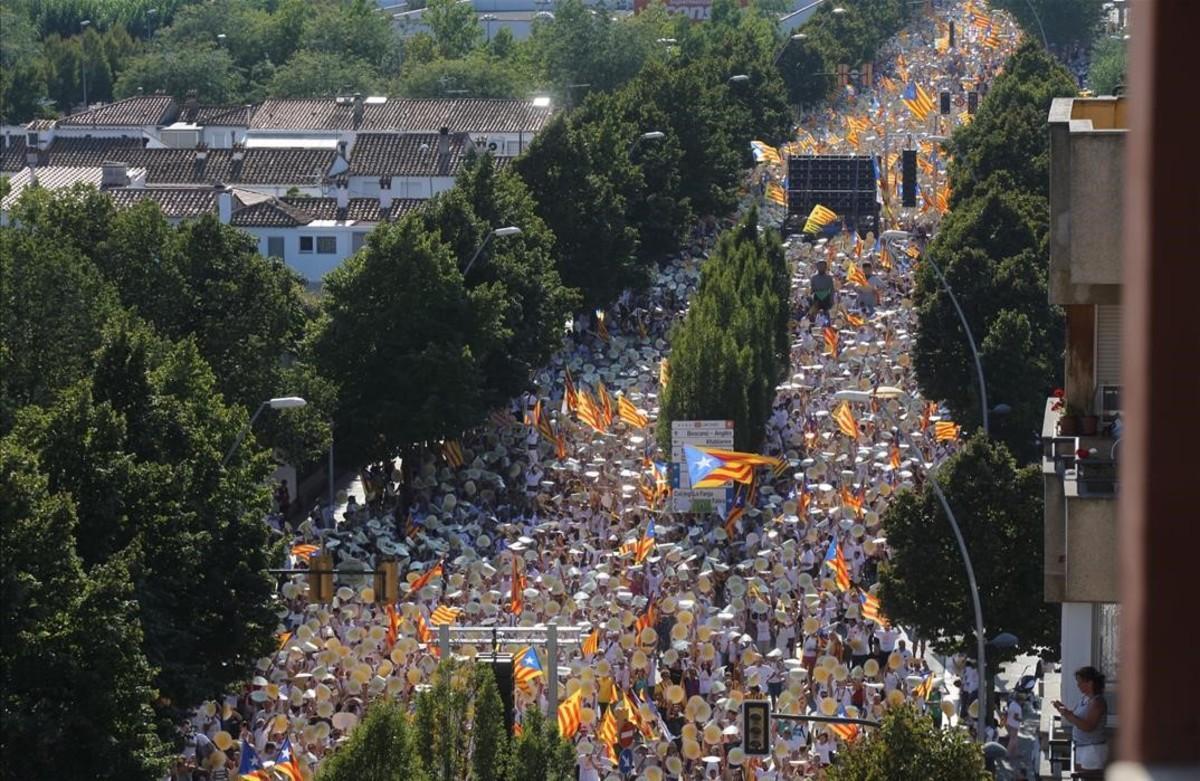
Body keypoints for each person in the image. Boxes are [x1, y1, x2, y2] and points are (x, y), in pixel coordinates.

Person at [1053, 666, 1108, 771]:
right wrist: (1063, 710)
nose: (1078, 685)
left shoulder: (1097, 702)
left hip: (1092, 750)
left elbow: (1088, 726)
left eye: (1080, 682)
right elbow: (1075, 718)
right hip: (1081, 747)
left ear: (1090, 683)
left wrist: (1068, 714)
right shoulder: (1085, 698)